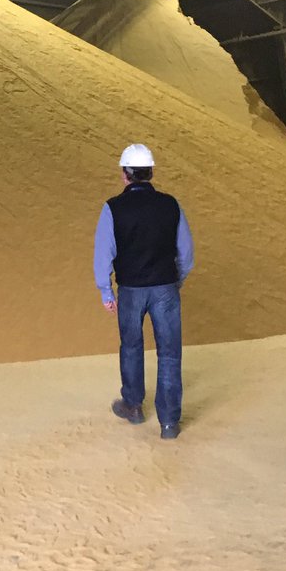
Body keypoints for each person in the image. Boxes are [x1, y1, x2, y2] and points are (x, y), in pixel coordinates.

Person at [93, 144, 194, 439]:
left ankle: (133, 405)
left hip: (131, 290)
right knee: (170, 354)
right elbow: (186, 253)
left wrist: (106, 291)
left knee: (132, 347)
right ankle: (169, 423)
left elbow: (104, 254)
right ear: (151, 172)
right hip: (165, 288)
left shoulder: (113, 208)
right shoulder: (171, 204)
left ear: (125, 174)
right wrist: (176, 280)